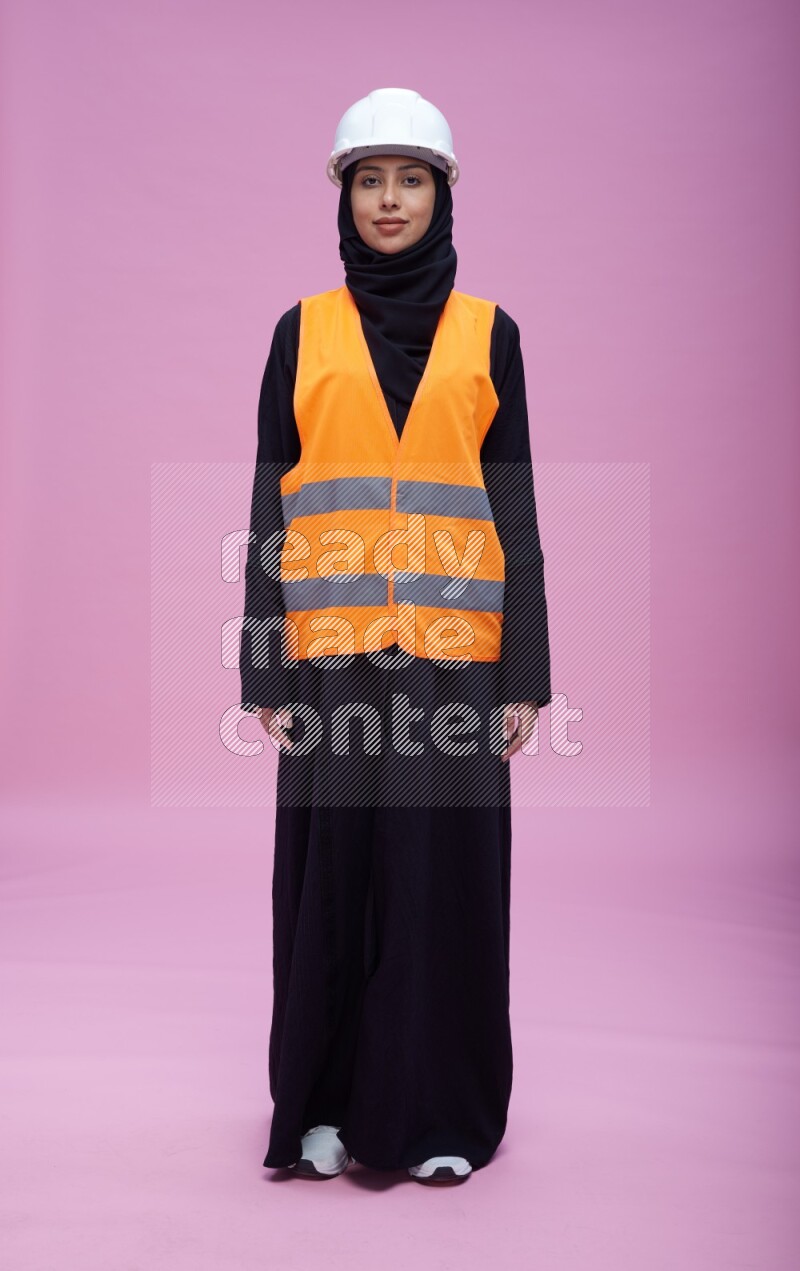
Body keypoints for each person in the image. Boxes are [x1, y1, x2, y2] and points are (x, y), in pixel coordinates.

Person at [239, 87, 552, 1186]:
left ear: (442, 193)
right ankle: (321, 1106)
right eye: (368, 179)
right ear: (343, 193)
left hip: (454, 663)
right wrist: (262, 658)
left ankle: (434, 1115)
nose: (388, 199)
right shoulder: (300, 330)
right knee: (333, 879)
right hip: (331, 662)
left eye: (408, 178)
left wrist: (525, 673)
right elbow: (272, 502)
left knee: (440, 884)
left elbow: (511, 510)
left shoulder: (490, 335)